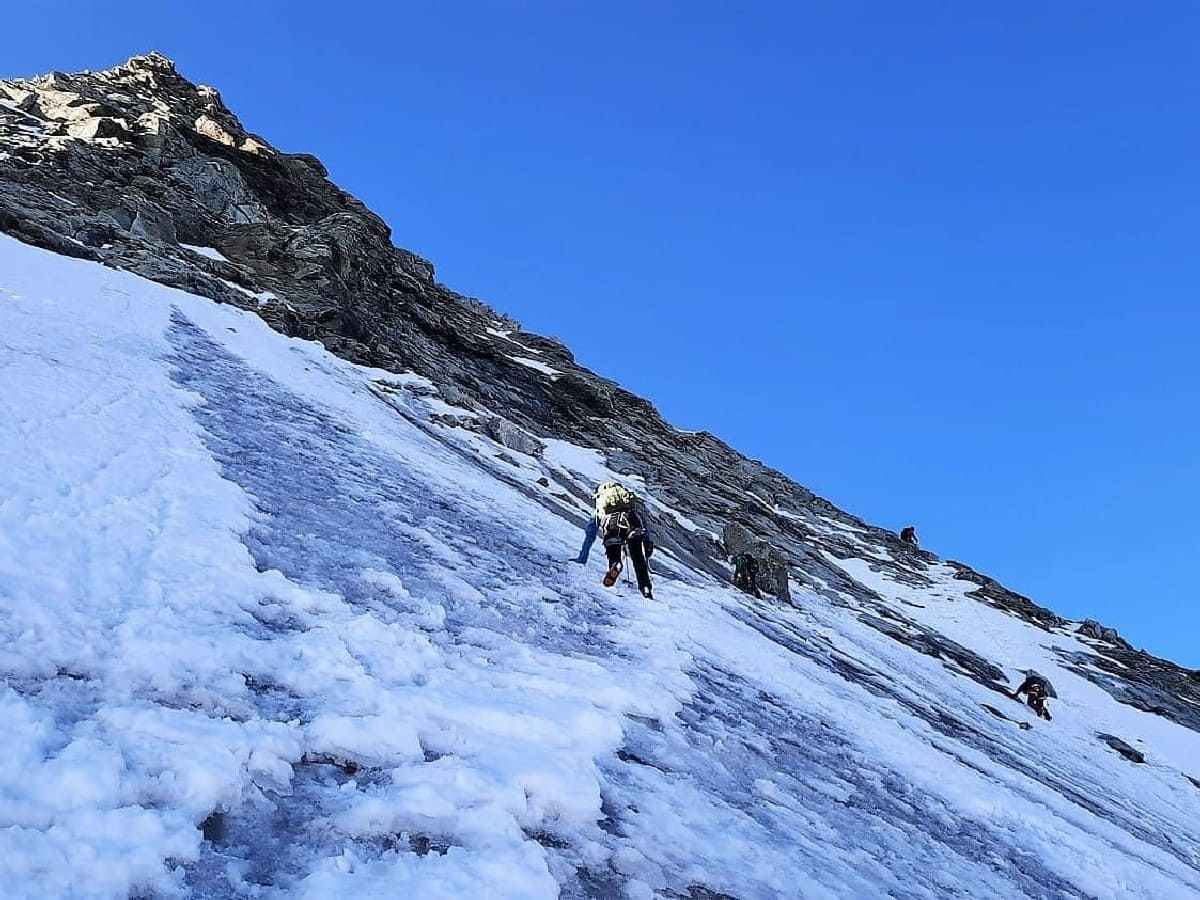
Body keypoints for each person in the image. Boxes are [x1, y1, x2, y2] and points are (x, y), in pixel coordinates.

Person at [574, 481, 655, 599]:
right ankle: (646, 588)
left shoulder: (602, 501)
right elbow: (643, 521)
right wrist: (647, 542)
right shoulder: (626, 499)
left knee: (613, 548)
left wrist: (582, 558)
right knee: (638, 557)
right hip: (632, 521)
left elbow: (590, 532)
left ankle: (615, 564)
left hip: (612, 523)